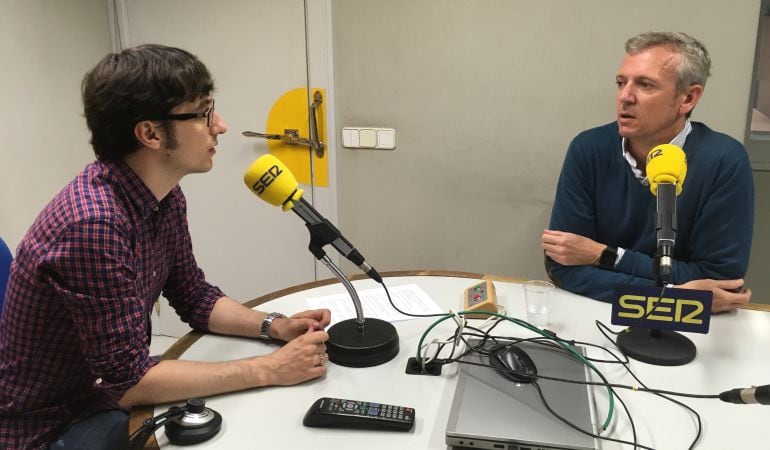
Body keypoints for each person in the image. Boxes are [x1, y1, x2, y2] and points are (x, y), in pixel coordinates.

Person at [0, 44, 332, 450]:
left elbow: (193, 296)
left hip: (102, 395)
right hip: (53, 426)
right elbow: (128, 382)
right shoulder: (93, 224)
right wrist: (270, 369)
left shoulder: (163, 197)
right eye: (204, 112)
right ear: (151, 133)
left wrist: (273, 325)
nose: (221, 125)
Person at [541, 31, 754, 313]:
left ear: (688, 98)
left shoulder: (724, 161)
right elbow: (562, 267)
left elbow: (721, 283)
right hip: (596, 314)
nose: (625, 97)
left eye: (645, 85)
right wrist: (673, 297)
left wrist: (604, 256)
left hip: (689, 332)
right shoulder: (588, 149)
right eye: (621, 83)